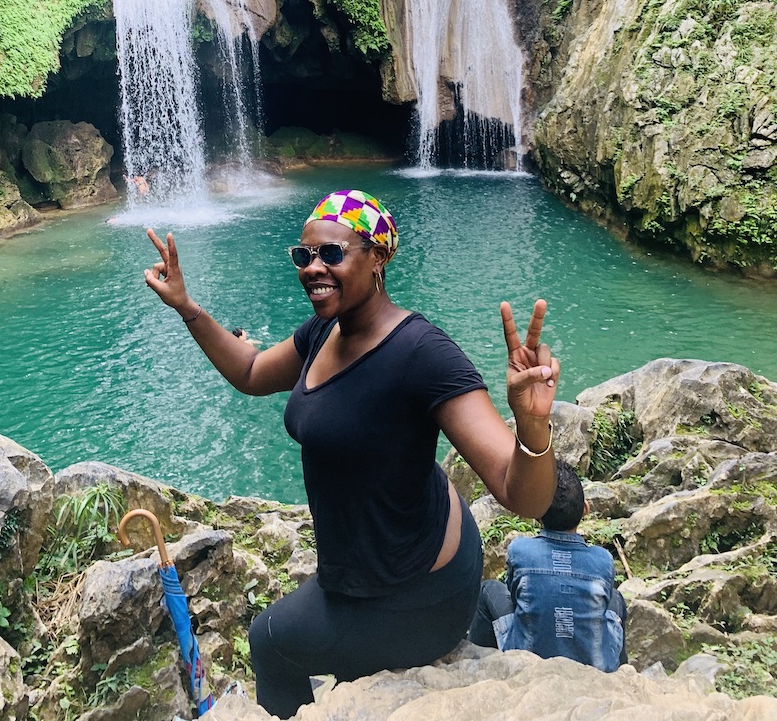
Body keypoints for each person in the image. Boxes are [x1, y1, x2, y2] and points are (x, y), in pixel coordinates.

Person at [143, 188, 559, 718]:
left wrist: (531, 424)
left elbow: (522, 494)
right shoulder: (324, 330)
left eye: (332, 254)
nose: (314, 268)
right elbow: (249, 373)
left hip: (419, 588)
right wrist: (187, 306)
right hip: (387, 550)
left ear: (378, 257)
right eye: (304, 256)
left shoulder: (422, 353)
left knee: (268, 640)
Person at [468, 459, 627, 671]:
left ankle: (478, 666)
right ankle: (620, 672)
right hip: (595, 667)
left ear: (537, 512)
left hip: (528, 661)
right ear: (585, 510)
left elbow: (516, 599)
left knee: (489, 589)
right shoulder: (603, 559)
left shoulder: (521, 550)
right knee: (616, 599)